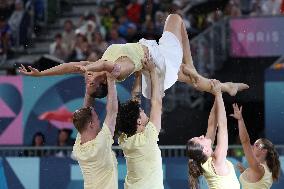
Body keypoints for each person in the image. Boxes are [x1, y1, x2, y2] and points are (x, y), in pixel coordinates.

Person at [19, 14, 248, 99]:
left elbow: (70, 66)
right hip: (157, 63)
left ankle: (226, 87)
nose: (86, 79)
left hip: (153, 55)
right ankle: (194, 68)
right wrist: (93, 67)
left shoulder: (98, 69)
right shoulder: (117, 71)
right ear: (100, 83)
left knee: (191, 80)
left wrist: (41, 74)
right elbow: (110, 67)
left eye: (86, 81)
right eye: (89, 83)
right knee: (175, 20)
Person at [116, 54, 163, 188]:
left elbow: (135, 101)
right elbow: (157, 103)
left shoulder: (125, 139)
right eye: (141, 112)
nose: (144, 111)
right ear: (138, 121)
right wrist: (152, 71)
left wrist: (138, 76)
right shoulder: (147, 138)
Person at [187, 80, 240, 189]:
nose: (202, 136)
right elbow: (222, 125)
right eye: (200, 139)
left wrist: (217, 95)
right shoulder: (217, 161)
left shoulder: (204, 160)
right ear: (205, 150)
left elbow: (212, 124)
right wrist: (219, 94)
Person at [72, 72, 118, 189]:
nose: (99, 120)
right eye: (97, 118)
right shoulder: (99, 144)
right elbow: (112, 111)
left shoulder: (79, 144)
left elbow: (86, 111)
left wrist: (89, 88)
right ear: (91, 124)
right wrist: (111, 80)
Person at [230, 103, 280, 189]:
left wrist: (240, 120)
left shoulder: (259, 169)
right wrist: (244, 171)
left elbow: (245, 141)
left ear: (264, 151)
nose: (253, 146)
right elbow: (253, 183)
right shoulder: (262, 169)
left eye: (257, 145)